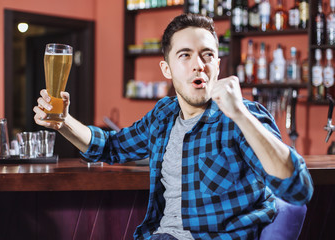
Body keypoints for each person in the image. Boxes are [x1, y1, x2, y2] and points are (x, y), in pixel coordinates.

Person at [34, 13, 313, 240]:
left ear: (218, 64)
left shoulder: (243, 117)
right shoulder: (163, 116)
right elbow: (110, 146)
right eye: (185, 55)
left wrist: (239, 113)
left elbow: (297, 190)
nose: (198, 65)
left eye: (207, 55)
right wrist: (63, 122)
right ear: (166, 69)